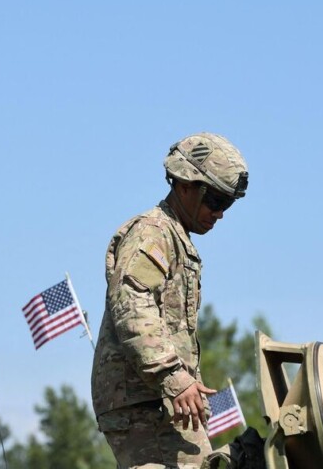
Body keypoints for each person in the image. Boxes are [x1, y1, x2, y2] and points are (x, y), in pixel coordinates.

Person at [92, 132, 249, 468]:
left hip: (157, 397)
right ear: (184, 186)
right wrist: (174, 378)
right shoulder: (154, 232)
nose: (219, 213)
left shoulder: (174, 237)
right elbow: (132, 302)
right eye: (215, 200)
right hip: (146, 400)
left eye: (227, 204)